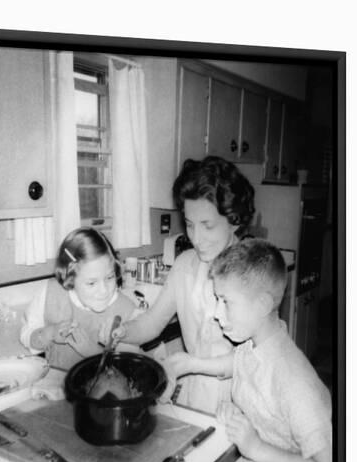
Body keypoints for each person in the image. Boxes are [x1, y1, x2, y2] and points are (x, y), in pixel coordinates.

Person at [100, 156, 256, 414]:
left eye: (207, 226)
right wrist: (123, 332)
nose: (196, 238)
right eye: (190, 224)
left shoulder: (253, 272)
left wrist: (192, 363)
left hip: (241, 402)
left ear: (234, 219)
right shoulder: (185, 265)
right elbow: (152, 323)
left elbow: (253, 360)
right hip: (194, 397)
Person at [202, 238, 331, 462]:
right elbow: (265, 410)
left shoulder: (294, 381)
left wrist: (256, 447)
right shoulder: (248, 347)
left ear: (262, 305)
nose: (217, 314)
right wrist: (239, 416)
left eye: (225, 301)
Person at [20, 227, 138, 371]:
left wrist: (93, 352)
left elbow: (131, 368)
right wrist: (50, 333)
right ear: (70, 278)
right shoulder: (50, 293)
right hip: (57, 388)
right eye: (91, 283)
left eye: (109, 277)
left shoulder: (126, 310)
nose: (104, 290)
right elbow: (26, 336)